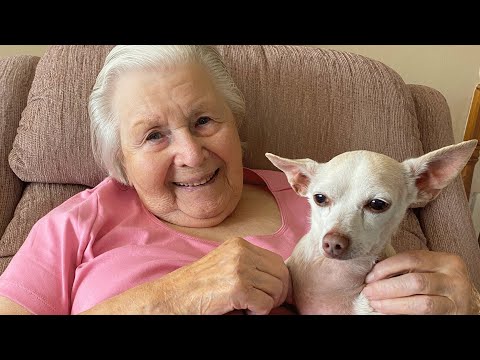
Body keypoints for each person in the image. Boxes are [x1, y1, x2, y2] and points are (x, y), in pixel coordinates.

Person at [0, 45, 478, 315]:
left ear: (236, 125)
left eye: (205, 120)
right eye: (153, 135)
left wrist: (465, 304)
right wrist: (169, 298)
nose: (190, 152)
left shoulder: (324, 197)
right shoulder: (76, 223)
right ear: (120, 161)